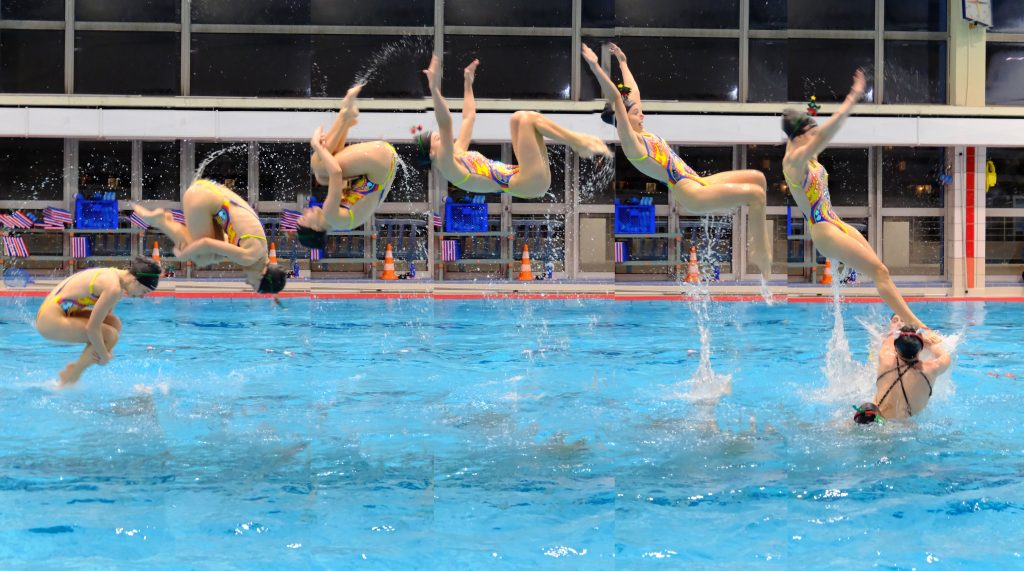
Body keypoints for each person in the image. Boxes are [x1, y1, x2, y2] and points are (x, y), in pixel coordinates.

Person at [581, 43, 772, 277]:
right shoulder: (632, 145)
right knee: (755, 194)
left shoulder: (644, 134)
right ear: (622, 120)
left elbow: (633, 92)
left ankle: (760, 248)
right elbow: (617, 100)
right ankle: (759, 252)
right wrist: (595, 67)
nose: (642, 114)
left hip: (698, 181)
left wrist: (623, 62)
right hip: (689, 192)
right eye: (635, 113)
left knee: (758, 178)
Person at [782, 69, 933, 333]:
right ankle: (919, 328)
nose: (816, 136)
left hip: (834, 222)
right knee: (879, 272)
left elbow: (820, 134)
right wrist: (853, 96)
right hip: (824, 230)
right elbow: (826, 133)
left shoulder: (806, 154)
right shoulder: (793, 161)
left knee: (881, 270)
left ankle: (902, 321)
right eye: (811, 132)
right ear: (799, 135)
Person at [415, 55, 611, 199]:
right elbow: (445, 122)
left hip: (526, 177)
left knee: (517, 119)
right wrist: (433, 89)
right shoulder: (448, 167)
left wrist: (468, 83)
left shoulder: (458, 153)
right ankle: (577, 142)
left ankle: (577, 142)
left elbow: (468, 117)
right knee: (526, 119)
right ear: (432, 153)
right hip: (527, 183)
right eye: (437, 138)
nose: (442, 137)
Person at [133, 180, 286, 295]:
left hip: (208, 190)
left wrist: (213, 256)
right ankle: (161, 222)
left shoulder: (260, 248)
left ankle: (163, 221)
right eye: (253, 284)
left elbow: (221, 244)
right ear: (261, 274)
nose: (247, 282)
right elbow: (206, 243)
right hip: (201, 198)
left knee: (207, 256)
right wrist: (183, 255)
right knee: (201, 257)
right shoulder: (249, 257)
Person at [297, 83, 399, 249]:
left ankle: (347, 118)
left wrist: (325, 151)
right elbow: (336, 172)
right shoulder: (330, 215)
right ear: (315, 227)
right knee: (318, 164)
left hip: (383, 165)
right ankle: (345, 115)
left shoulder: (338, 221)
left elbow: (340, 178)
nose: (304, 212)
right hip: (380, 161)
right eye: (303, 219)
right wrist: (316, 145)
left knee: (321, 176)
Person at [35, 258, 161, 387]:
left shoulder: (113, 275)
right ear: (135, 280)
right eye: (144, 292)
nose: (142, 297)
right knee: (111, 336)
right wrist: (104, 356)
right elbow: (92, 329)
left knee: (114, 323)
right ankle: (71, 376)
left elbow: (105, 318)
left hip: (54, 311)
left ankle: (73, 371)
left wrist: (106, 348)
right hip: (49, 321)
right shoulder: (113, 288)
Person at [853, 325, 951, 423]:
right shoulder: (931, 368)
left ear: (896, 348)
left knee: (867, 408)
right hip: (907, 425)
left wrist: (894, 326)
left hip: (880, 419)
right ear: (921, 348)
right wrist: (929, 344)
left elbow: (889, 339)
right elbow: (945, 356)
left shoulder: (884, 358)